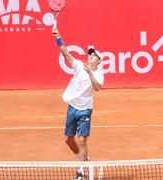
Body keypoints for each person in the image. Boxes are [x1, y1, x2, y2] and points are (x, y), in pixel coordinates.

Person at [52, 28, 104, 179]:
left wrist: (89, 72)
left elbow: (97, 87)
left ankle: (80, 171)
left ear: (99, 61)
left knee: (82, 140)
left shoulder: (99, 74)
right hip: (72, 108)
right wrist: (58, 38)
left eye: (94, 56)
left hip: (85, 111)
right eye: (90, 55)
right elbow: (65, 53)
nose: (90, 57)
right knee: (68, 140)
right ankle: (82, 159)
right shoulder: (78, 66)